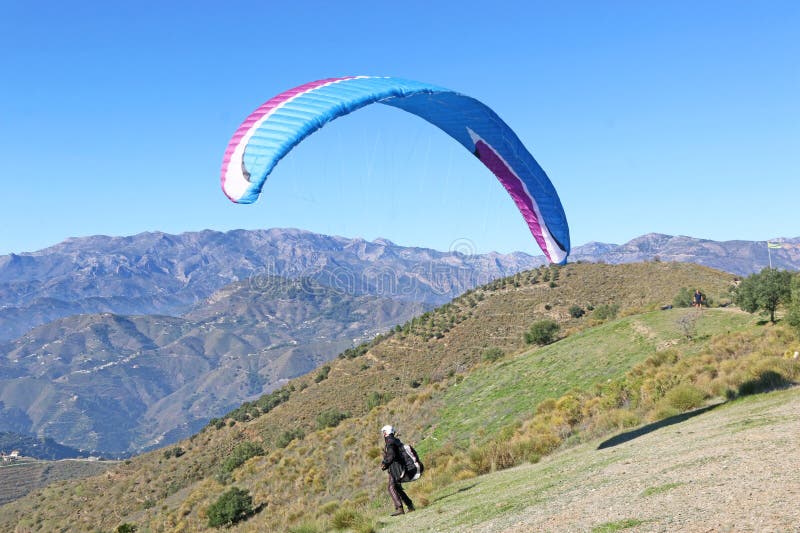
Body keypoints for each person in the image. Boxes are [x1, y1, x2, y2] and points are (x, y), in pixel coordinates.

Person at [380, 424, 415, 516]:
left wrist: (385, 463)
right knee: (397, 488)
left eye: (383, 432)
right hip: (398, 467)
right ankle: (410, 505)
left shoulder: (390, 442)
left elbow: (391, 455)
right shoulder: (395, 440)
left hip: (396, 468)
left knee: (391, 487)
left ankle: (399, 508)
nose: (383, 434)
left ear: (386, 432)